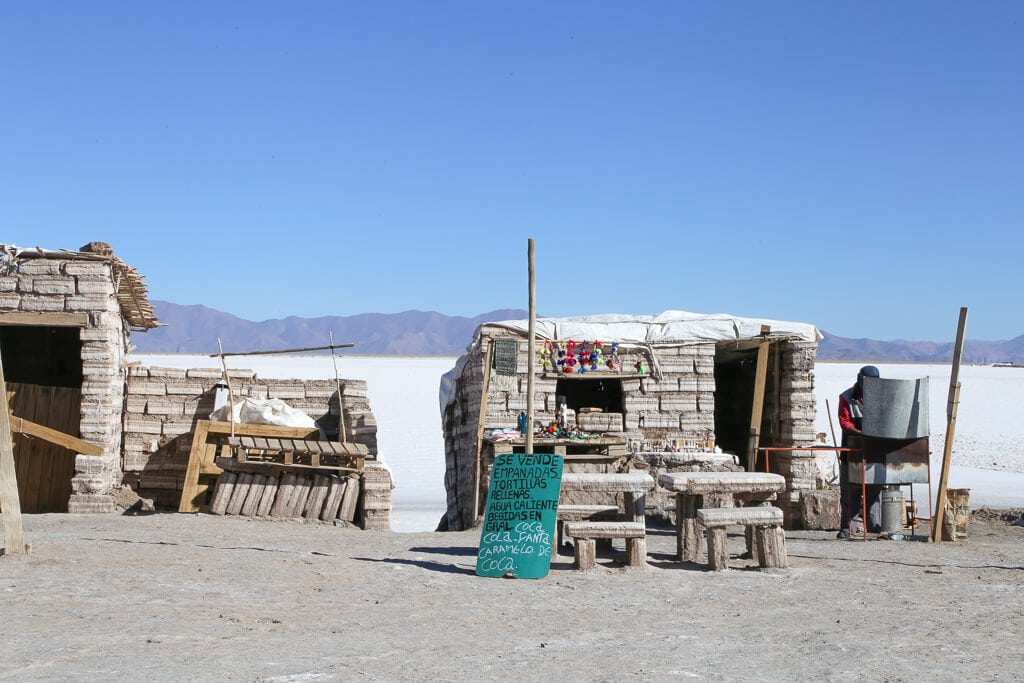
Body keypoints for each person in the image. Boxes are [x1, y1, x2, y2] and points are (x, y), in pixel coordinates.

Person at [836, 365, 880, 538]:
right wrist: (862, 434)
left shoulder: (881, 395)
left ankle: (875, 528)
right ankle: (848, 528)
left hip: (875, 454)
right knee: (850, 492)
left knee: (874, 492)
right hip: (852, 453)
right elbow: (845, 423)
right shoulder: (846, 397)